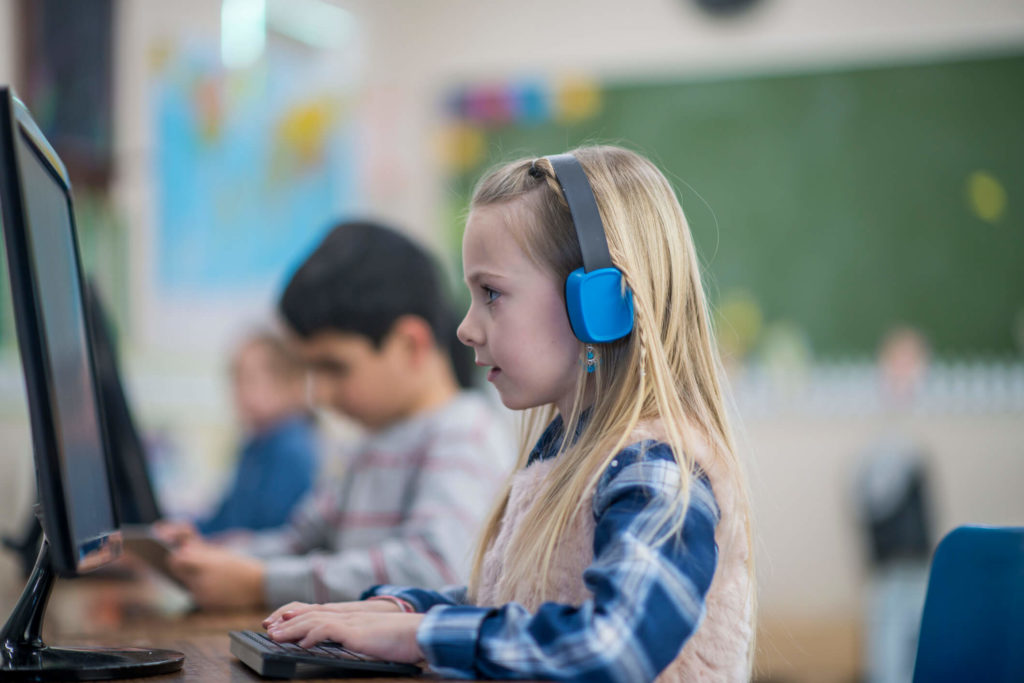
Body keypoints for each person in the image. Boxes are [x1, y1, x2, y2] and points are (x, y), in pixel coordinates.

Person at [261, 147, 756, 681]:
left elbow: (614, 647)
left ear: (599, 303)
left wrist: (418, 636)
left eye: (491, 293)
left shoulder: (658, 468)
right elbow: (515, 599)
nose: (465, 328)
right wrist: (398, 610)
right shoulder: (564, 453)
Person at [165, 220, 515, 611]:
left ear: (408, 345)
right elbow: (298, 543)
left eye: (334, 367)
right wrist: (211, 554)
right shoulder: (370, 444)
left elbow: (434, 569)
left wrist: (261, 584)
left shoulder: (464, 432)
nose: (320, 393)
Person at [195, 330, 317, 536]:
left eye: (249, 379)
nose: (238, 391)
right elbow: (224, 519)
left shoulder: (291, 448)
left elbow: (276, 533)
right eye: (234, 379)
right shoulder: (255, 444)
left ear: (288, 381)